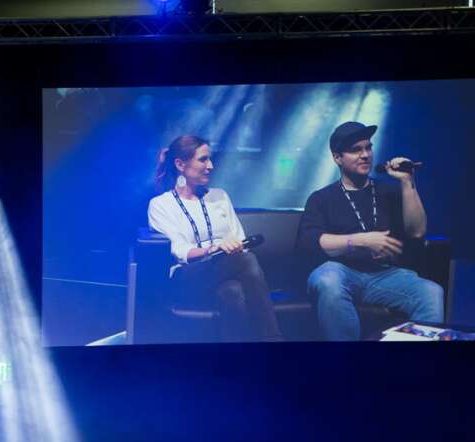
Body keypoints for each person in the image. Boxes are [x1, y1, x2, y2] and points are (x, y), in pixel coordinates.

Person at [297, 121, 443, 341]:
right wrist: (360, 240)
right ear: (337, 158)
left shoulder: (387, 192)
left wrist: (407, 182)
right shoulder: (322, 198)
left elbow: (417, 232)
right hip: (340, 271)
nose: (365, 155)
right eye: (356, 150)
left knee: (430, 291)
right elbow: (310, 241)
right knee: (327, 280)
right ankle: (348, 366)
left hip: (384, 275)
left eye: (368, 147)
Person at [148, 135, 280, 341]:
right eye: (203, 159)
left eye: (210, 159)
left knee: (233, 292)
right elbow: (179, 250)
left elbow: (239, 239)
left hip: (225, 271)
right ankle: (274, 341)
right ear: (180, 164)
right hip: (188, 277)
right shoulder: (161, 205)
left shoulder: (220, 196)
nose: (210, 166)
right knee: (245, 260)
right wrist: (213, 249)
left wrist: (230, 248)